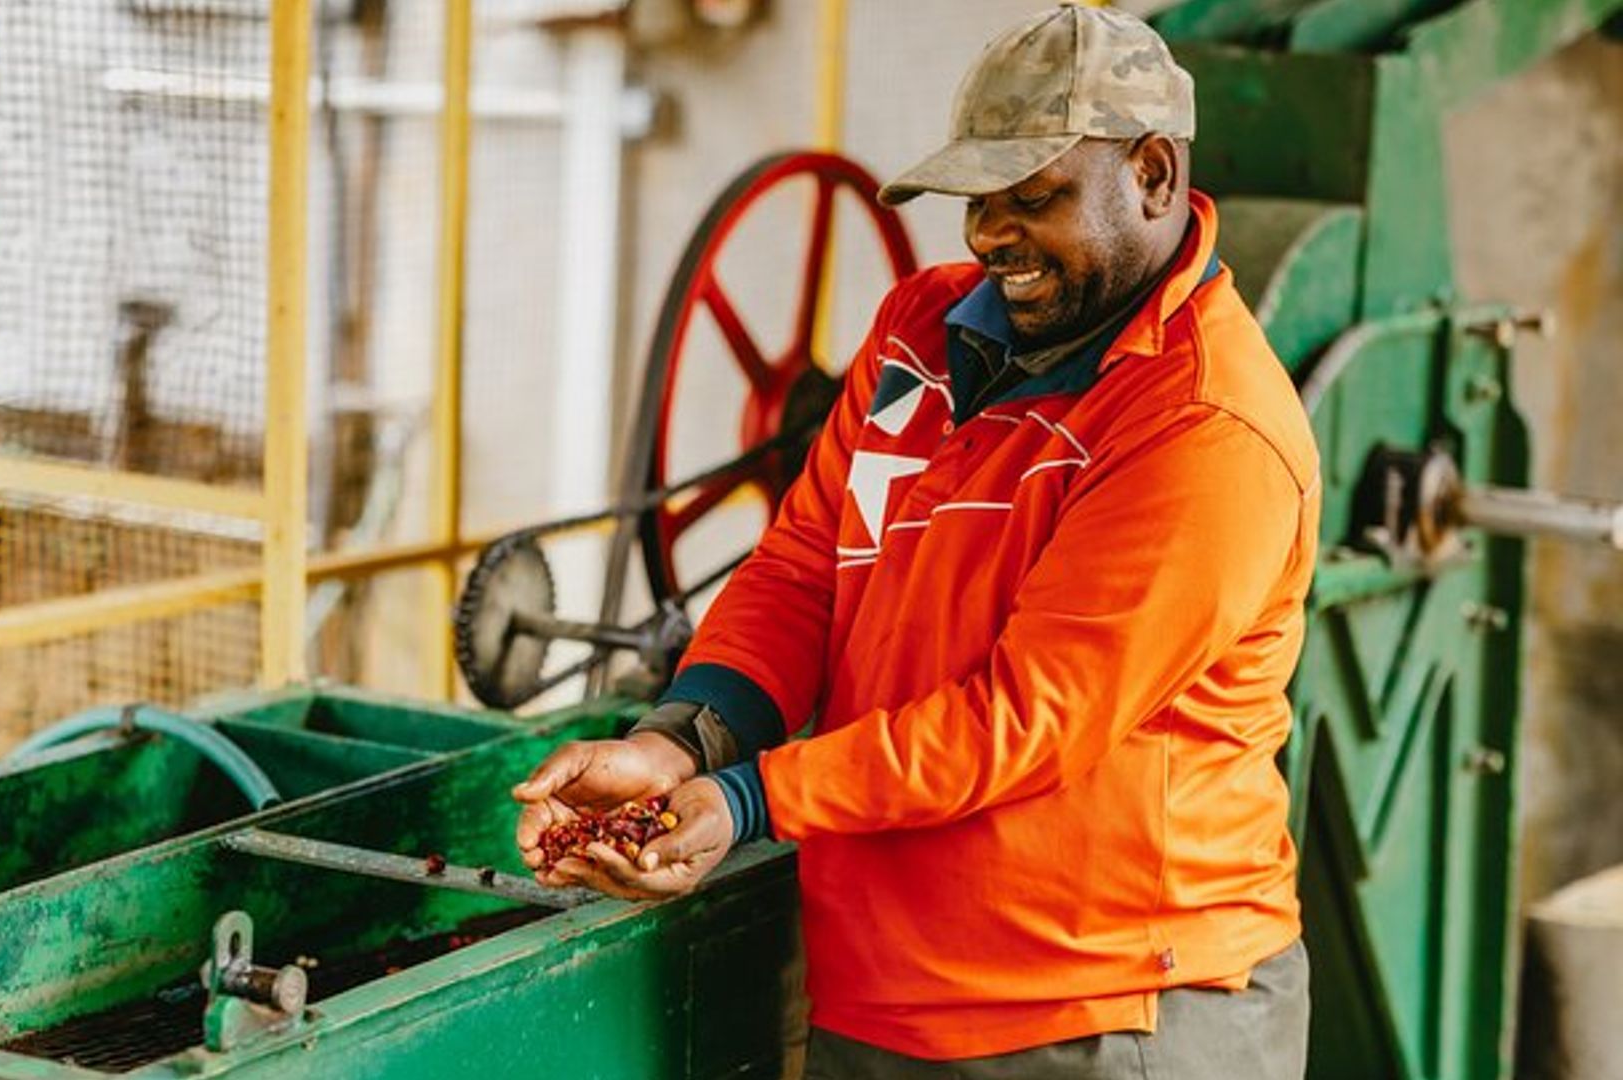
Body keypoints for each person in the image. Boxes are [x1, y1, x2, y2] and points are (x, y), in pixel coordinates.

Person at [513, 5, 1318, 1077]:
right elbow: (803, 567)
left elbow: (1024, 718)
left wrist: (752, 799)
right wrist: (683, 743)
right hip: (887, 987)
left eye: (1035, 198)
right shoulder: (918, 334)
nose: (989, 236)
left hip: (1105, 1008)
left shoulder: (1204, 423)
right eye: (978, 200)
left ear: (1156, 177)